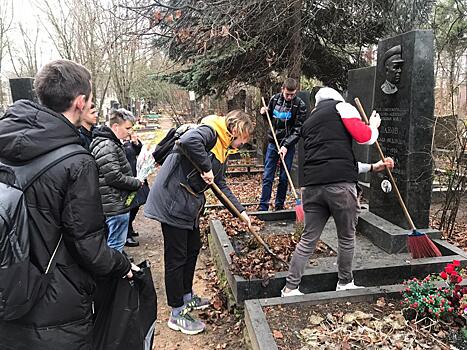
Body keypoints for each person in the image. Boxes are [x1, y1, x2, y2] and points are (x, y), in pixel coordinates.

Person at [0, 59, 132, 349]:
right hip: (55, 306)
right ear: (80, 102)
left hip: (8, 293)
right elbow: (88, 246)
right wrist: (122, 264)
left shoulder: (5, 141)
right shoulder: (76, 162)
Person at [145, 110, 253, 335]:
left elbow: (220, 183)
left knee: (193, 248)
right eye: (244, 138)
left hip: (189, 205)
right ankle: (176, 312)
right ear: (235, 130)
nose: (243, 143)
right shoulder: (211, 131)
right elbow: (188, 140)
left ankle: (187, 296)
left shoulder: (223, 147)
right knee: (176, 256)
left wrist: (240, 212)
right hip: (172, 200)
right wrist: (205, 167)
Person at [281, 87, 391, 297]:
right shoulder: (342, 108)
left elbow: (334, 159)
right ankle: (344, 282)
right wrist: (373, 125)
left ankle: (290, 288)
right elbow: (364, 137)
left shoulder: (311, 121)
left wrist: (372, 167)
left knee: (308, 239)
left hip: (312, 188)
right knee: (347, 237)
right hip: (340, 188)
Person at [90, 108, 142, 252]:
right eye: (127, 128)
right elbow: (114, 177)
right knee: (115, 246)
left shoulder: (110, 143)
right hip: (114, 205)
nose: (129, 132)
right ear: (115, 127)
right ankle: (116, 274)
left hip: (114, 202)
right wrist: (136, 183)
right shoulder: (107, 145)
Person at [258, 78, 307, 211]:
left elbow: (298, 130)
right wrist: (264, 113)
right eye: (287, 94)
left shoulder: (299, 105)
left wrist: (286, 145)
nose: (290, 97)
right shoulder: (274, 99)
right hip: (273, 143)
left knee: (284, 178)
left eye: (292, 94)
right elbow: (271, 120)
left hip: (288, 146)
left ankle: (279, 205)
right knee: (268, 175)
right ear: (282, 90)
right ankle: (263, 206)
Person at [123, 130, 143, 247]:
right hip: (128, 179)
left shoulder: (129, 142)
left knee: (136, 204)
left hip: (135, 176)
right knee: (130, 206)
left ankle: (129, 228)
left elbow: (138, 151)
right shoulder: (120, 143)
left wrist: (136, 143)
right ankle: (126, 235)